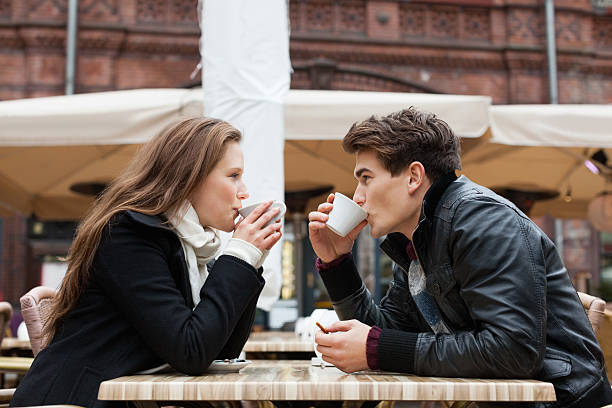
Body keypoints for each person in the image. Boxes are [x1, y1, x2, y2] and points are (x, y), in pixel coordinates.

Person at [309, 108, 612, 408]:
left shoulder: (483, 221)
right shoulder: (416, 241)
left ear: (414, 176)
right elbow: (384, 335)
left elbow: (513, 350)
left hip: (563, 402)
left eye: (366, 179)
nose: (357, 196)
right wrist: (337, 264)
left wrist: (377, 348)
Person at [11, 117, 283, 408]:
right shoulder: (129, 233)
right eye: (233, 175)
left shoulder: (188, 246)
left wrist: (249, 262)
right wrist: (239, 257)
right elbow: (191, 351)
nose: (244, 191)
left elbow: (220, 350)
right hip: (76, 400)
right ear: (189, 177)